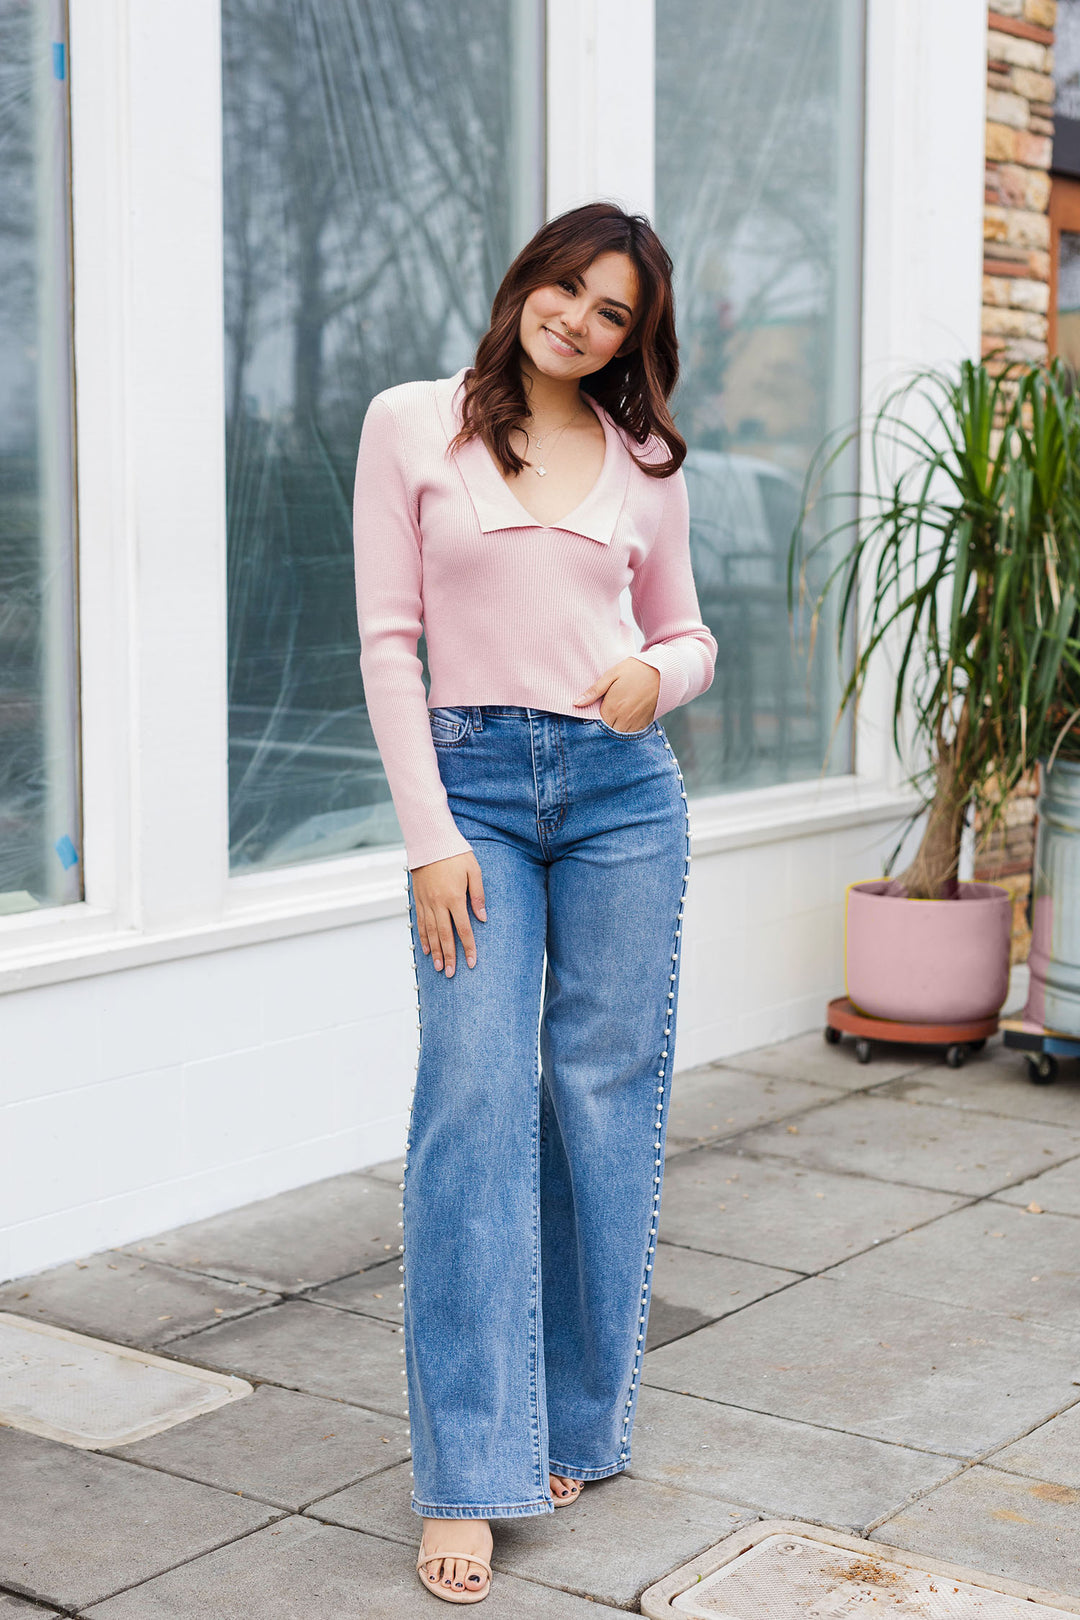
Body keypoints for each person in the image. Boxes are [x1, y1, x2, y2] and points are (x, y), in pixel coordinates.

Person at [351, 200, 717, 1605]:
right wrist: (428, 839)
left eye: (611, 309)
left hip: (625, 795)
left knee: (604, 1098)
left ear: (637, 337)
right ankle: (467, 1472)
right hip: (475, 797)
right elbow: (390, 642)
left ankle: (569, 1426)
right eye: (565, 287)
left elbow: (684, 632)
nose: (578, 317)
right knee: (473, 1103)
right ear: (525, 284)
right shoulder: (413, 423)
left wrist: (657, 680)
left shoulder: (647, 460)